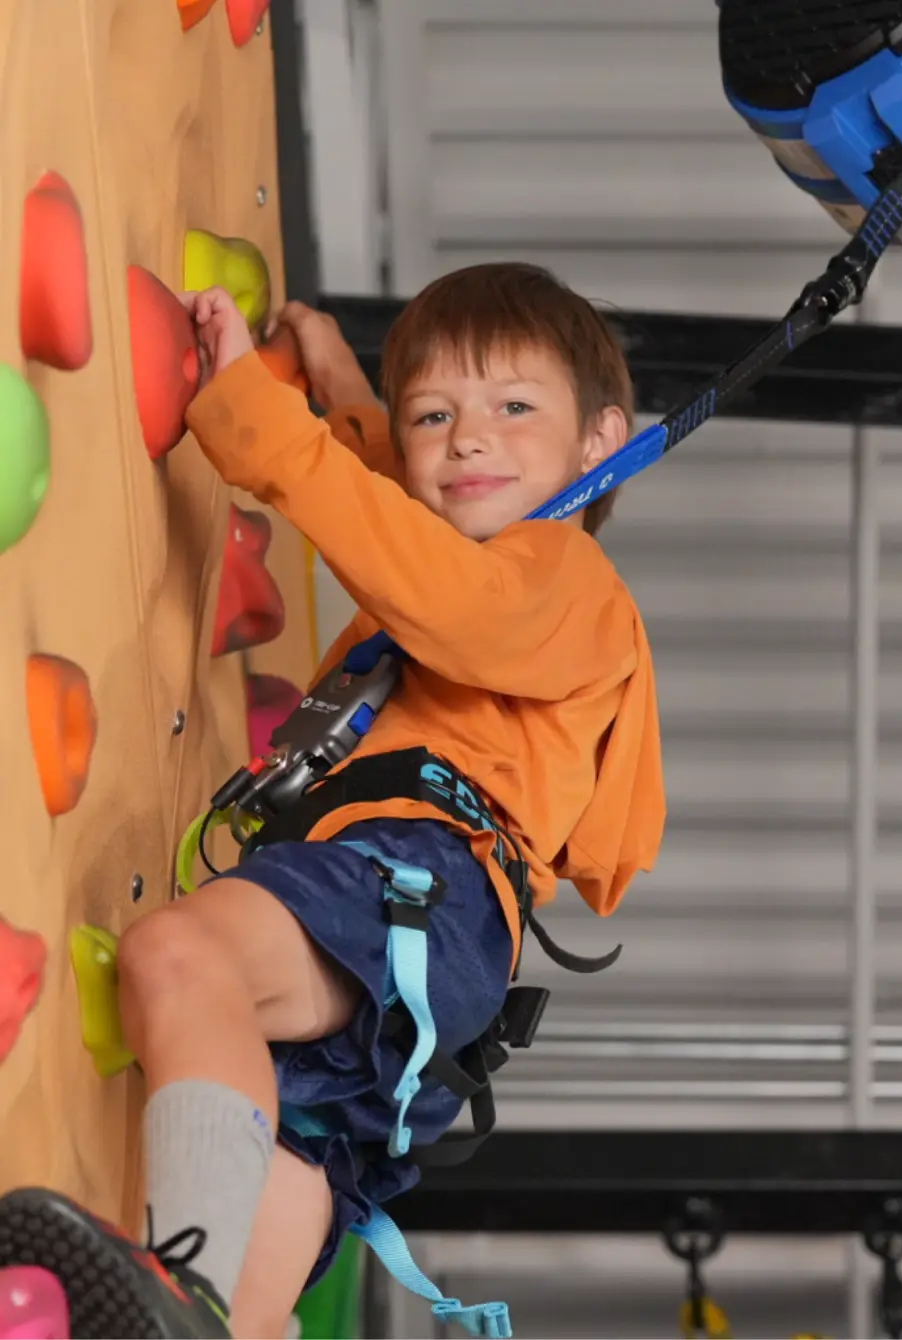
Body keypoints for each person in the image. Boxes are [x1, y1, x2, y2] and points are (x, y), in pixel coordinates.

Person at [0, 263, 665, 1338]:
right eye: (434, 416)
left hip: (413, 880)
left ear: (601, 442)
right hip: (426, 957)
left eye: (513, 408)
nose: (468, 437)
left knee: (180, 958)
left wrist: (260, 422)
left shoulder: (561, 575)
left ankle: (183, 1280)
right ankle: (210, 1304)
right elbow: (405, 518)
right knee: (254, 1291)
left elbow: (431, 580)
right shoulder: (488, 567)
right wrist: (337, 382)